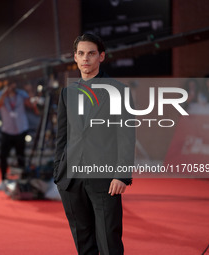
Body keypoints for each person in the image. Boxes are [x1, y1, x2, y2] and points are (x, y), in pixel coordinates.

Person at [54, 34, 135, 255]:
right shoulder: (67, 93)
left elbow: (127, 135)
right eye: (81, 54)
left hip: (105, 179)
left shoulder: (119, 91)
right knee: (83, 243)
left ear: (101, 56)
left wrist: (122, 174)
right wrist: (58, 173)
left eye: (91, 53)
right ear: (75, 58)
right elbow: (61, 137)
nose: (85, 58)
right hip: (71, 181)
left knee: (109, 241)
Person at [0, 80, 38, 191]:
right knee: (3, 156)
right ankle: (3, 180)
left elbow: (31, 104)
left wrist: (29, 91)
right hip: (7, 130)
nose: (11, 86)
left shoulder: (21, 94)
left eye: (12, 84)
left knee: (21, 156)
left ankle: (22, 181)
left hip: (21, 129)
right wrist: (5, 93)